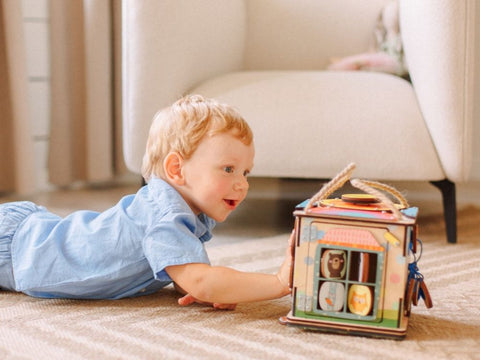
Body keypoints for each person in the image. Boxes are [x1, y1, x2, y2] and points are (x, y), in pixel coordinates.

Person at [0, 95, 293, 310]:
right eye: (229, 169)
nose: (242, 183)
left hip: (32, 234)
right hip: (18, 249)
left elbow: (190, 274)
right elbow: (201, 280)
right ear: (177, 170)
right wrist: (278, 283)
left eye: (246, 172)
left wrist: (207, 287)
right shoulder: (164, 215)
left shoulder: (188, 213)